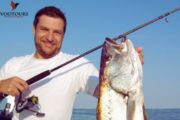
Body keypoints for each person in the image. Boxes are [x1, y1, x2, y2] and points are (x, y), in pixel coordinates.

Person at [0, 6, 144, 120]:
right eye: (44, 29)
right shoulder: (13, 65)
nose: (50, 37)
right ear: (34, 30)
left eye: (57, 32)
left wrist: (128, 68)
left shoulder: (77, 65)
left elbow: (108, 91)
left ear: (64, 35)